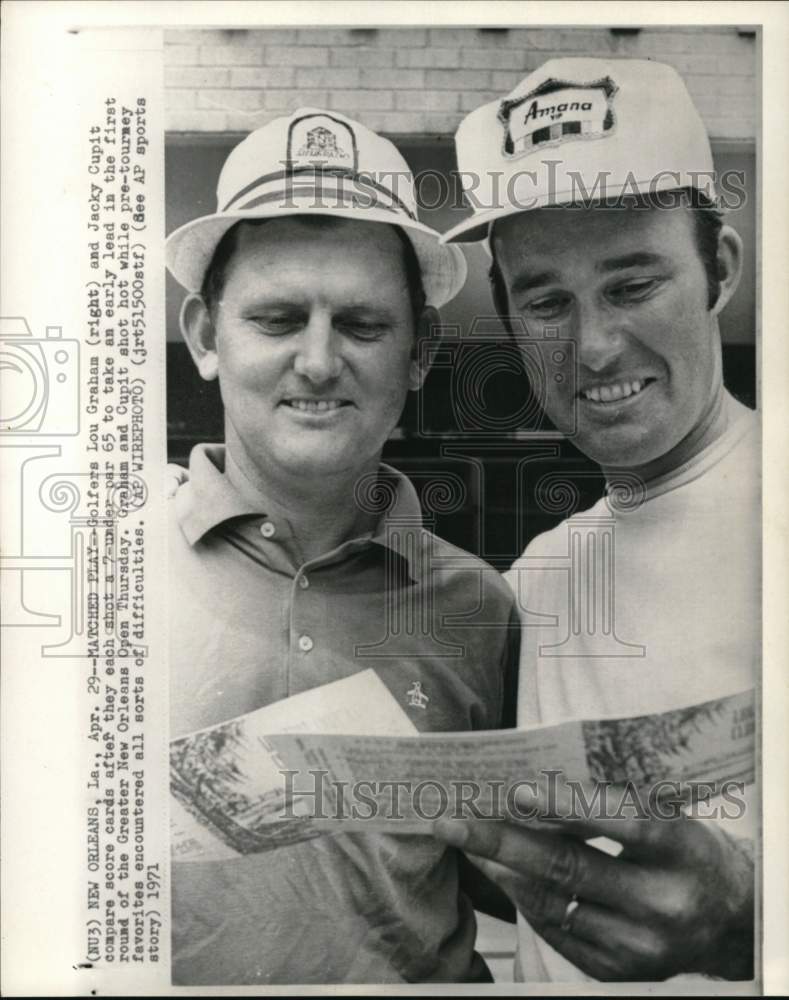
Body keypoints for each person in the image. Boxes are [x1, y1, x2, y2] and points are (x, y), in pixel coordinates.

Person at [164, 108, 519, 985]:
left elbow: (525, 875)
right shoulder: (100, 575)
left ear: (419, 352)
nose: (319, 362)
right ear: (206, 337)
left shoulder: (484, 613)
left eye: (361, 324)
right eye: (278, 319)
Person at [432, 58, 758, 983]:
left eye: (632, 285)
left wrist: (751, 921)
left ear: (718, 269)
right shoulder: (541, 574)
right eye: (546, 302)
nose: (594, 346)